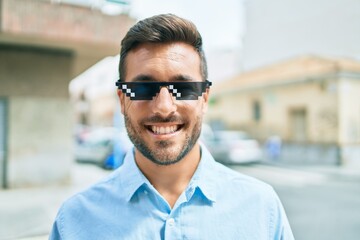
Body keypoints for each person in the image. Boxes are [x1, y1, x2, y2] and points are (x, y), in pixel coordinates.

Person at [49, 14, 294, 239]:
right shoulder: (75, 221)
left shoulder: (262, 209)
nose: (164, 108)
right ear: (122, 100)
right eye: (143, 89)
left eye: (184, 89)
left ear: (204, 99)